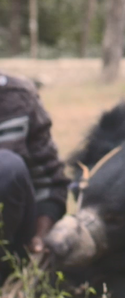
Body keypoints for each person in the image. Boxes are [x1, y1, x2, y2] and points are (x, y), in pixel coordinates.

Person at [0, 71, 69, 282]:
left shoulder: (18, 97)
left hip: (9, 243)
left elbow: (49, 181)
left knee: (7, 168)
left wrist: (40, 238)